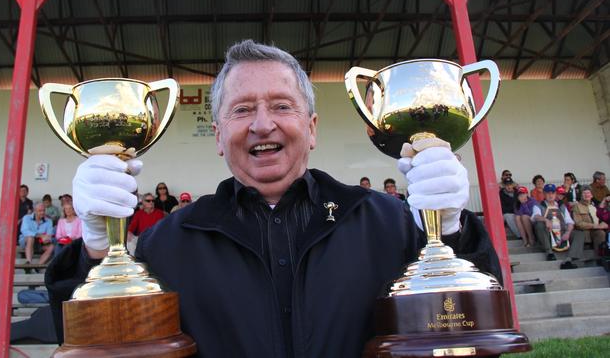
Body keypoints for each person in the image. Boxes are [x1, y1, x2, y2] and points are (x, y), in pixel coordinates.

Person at [46, 40, 501, 356]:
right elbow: (93, 345)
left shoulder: (390, 222)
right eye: (243, 110)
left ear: (312, 128)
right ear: (220, 137)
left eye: (282, 106)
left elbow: (475, 331)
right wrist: (96, 249)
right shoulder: (170, 242)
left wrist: (453, 231)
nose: (263, 124)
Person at [531, 184, 576, 264]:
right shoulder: (538, 206)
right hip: (548, 233)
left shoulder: (561, 206)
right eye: (548, 193)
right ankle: (549, 252)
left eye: (552, 193)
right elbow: (535, 216)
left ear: (556, 194)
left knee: (579, 233)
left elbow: (569, 222)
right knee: (540, 224)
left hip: (562, 232)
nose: (550, 195)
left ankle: (571, 257)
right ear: (544, 194)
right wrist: (546, 220)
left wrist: (568, 233)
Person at [571, 186, 608, 260]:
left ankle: (601, 257)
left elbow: (602, 219)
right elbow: (578, 224)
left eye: (588, 193)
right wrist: (595, 226)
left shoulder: (594, 207)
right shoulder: (576, 207)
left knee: (601, 232)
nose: (586, 194)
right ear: (581, 195)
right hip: (584, 233)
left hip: (595, 231)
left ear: (591, 195)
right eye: (584, 193)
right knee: (599, 232)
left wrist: (605, 225)